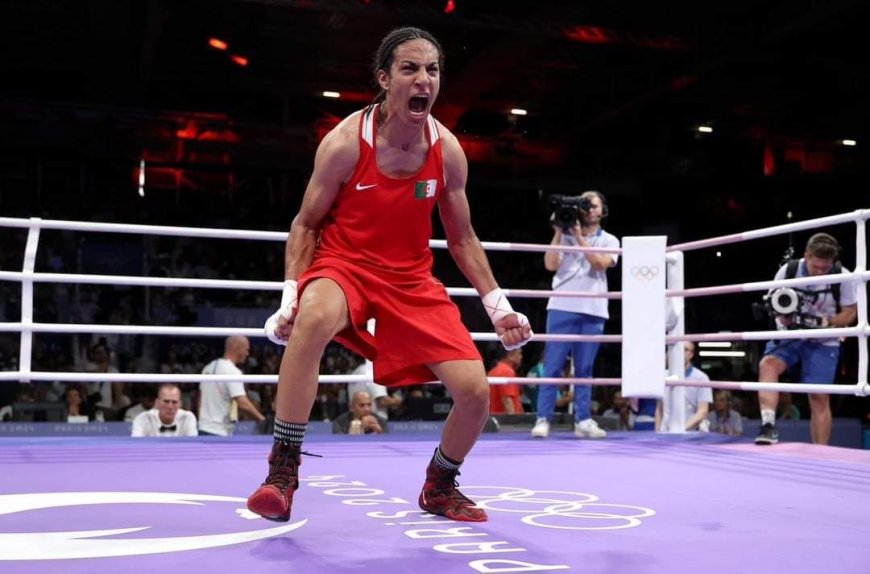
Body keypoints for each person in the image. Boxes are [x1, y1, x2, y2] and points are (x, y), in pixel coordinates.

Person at [245, 27, 532, 524]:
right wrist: (291, 293)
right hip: (344, 264)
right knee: (312, 321)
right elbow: (306, 223)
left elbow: (462, 239)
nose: (424, 79)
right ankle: (282, 471)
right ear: (384, 78)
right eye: (410, 69)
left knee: (475, 393)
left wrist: (498, 305)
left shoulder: (449, 152)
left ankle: (439, 484)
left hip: (411, 280)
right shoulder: (343, 144)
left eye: (433, 70)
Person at [531, 190, 619, 439]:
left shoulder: (610, 240)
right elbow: (550, 265)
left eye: (594, 205)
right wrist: (559, 230)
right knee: (553, 366)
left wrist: (580, 238)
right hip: (561, 306)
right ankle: (542, 418)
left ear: (603, 210)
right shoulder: (563, 237)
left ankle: (583, 420)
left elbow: (600, 264)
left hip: (593, 309)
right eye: (586, 205)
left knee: (585, 368)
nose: (590, 209)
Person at [755, 232, 857, 445]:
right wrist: (784, 317)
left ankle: (820, 452)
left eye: (825, 268)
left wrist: (828, 322)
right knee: (768, 365)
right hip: (790, 334)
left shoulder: (842, 275)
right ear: (806, 256)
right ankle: (768, 427)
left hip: (823, 340)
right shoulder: (789, 270)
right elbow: (773, 301)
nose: (820, 272)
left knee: (819, 397)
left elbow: (849, 312)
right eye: (815, 267)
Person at [198, 336, 266, 436]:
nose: (247, 354)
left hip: (203, 428)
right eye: (246, 350)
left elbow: (199, 400)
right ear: (237, 348)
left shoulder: (207, 368)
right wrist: (262, 419)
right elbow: (242, 402)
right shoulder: (232, 371)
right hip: (219, 431)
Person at [656, 341, 713, 432]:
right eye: (678, 349)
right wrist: (657, 433)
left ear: (691, 354)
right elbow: (660, 408)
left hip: (691, 434)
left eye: (685, 350)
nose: (681, 353)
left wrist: (681, 430)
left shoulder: (701, 378)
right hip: (665, 433)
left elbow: (703, 411)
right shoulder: (664, 375)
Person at [131, 383, 198, 437]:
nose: (170, 407)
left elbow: (193, 447)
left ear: (180, 404)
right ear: (157, 403)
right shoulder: (143, 419)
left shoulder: (188, 418)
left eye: (174, 402)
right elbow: (136, 447)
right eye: (166, 401)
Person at [488, 348, 524, 414]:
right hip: (506, 421)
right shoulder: (507, 371)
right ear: (511, 356)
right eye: (519, 354)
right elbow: (507, 400)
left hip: (495, 418)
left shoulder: (492, 372)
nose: (521, 357)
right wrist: (512, 421)